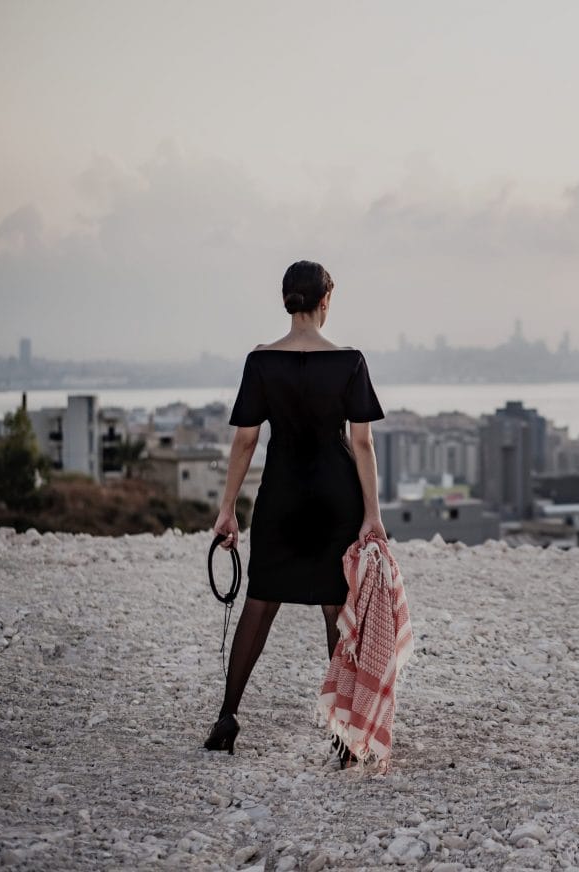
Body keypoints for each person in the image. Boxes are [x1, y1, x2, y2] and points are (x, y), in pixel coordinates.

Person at [204, 260, 387, 755]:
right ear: (326, 301)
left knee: (260, 602)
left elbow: (245, 441)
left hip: (281, 493)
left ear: (287, 301)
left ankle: (227, 716)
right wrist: (373, 514)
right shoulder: (349, 361)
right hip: (336, 495)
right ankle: (345, 735)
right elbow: (363, 443)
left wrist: (228, 510)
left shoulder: (261, 361)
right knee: (336, 609)